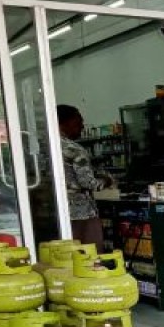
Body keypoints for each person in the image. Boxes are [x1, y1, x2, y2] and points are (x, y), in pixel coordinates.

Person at [57, 104, 105, 245]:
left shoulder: (42, 147)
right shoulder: (73, 149)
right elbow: (88, 183)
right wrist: (105, 180)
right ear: (64, 123)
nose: (82, 126)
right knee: (88, 255)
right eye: (78, 122)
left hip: (51, 213)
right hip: (80, 214)